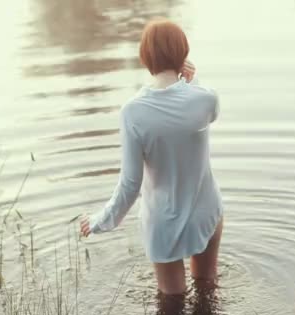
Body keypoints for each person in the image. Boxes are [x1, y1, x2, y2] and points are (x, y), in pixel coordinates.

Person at [80, 18, 223, 296]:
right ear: (183, 53)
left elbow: (131, 183)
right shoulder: (206, 98)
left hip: (164, 221)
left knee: (172, 303)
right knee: (207, 291)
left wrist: (100, 220)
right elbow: (209, 108)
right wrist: (192, 80)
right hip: (206, 212)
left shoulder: (133, 112)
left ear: (145, 57)